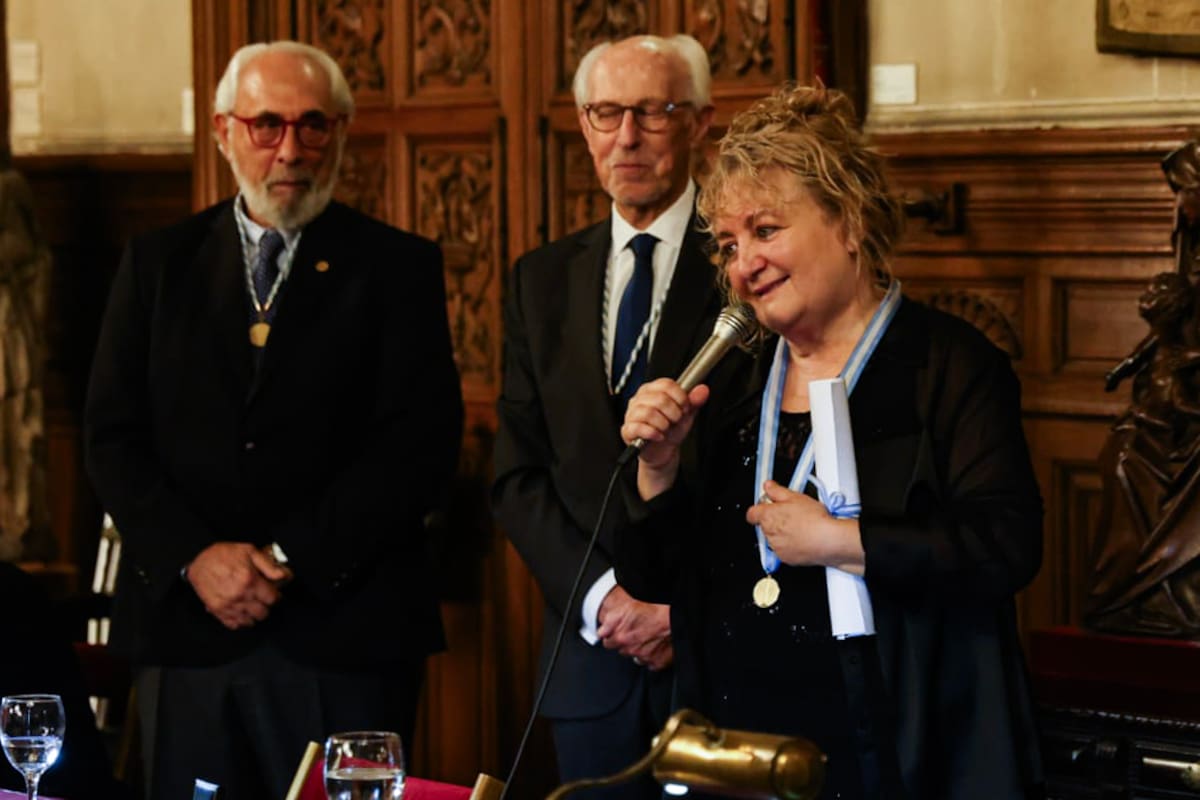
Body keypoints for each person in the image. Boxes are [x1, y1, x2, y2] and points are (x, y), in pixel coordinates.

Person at [617, 84, 1045, 799]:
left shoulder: (948, 363)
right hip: (737, 748)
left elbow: (1006, 545)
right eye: (728, 244)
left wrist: (843, 541)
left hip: (893, 745)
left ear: (848, 222)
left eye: (765, 230)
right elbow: (666, 582)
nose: (742, 264)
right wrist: (657, 473)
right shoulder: (733, 376)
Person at [84, 41, 463, 800]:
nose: (291, 150)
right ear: (225, 132)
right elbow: (110, 435)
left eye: (312, 126)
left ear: (342, 133)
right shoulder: (158, 263)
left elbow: (417, 447)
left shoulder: (396, 267)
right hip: (189, 634)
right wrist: (197, 556)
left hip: (342, 632)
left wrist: (288, 555)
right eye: (267, 126)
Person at [491, 35, 718, 797]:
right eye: (606, 113)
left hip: (716, 649)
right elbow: (518, 476)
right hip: (589, 660)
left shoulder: (746, 264)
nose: (626, 137)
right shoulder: (540, 279)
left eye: (652, 112)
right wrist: (605, 600)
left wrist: (674, 607)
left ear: (699, 122)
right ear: (584, 126)